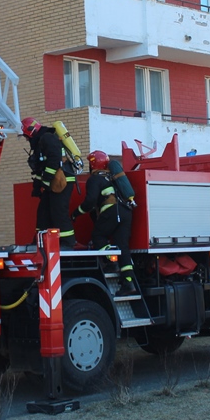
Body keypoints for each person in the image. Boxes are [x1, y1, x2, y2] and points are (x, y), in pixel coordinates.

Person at [72, 150, 137, 295]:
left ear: (93, 165)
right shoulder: (112, 178)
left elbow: (90, 202)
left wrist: (76, 213)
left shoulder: (95, 180)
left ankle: (112, 262)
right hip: (126, 212)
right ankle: (128, 283)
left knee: (98, 236)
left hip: (112, 212)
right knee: (123, 246)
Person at [22, 116, 77, 248]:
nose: (26, 139)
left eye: (26, 136)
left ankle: (68, 243)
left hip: (62, 180)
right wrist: (37, 186)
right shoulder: (40, 142)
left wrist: (45, 182)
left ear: (31, 131)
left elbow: (54, 161)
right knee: (43, 212)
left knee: (59, 211)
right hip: (52, 182)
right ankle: (40, 242)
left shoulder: (48, 138)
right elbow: (42, 167)